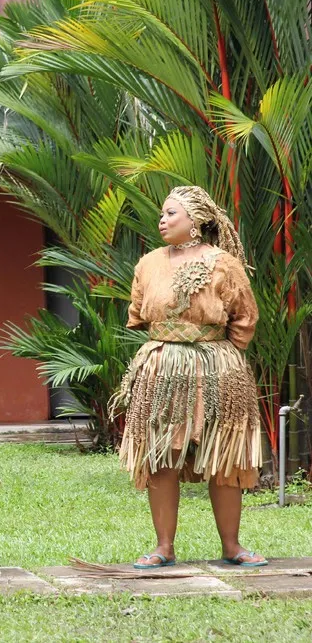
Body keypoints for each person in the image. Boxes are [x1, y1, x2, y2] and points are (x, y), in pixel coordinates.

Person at [110, 186, 266, 569]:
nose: (162, 221)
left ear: (195, 221)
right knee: (162, 453)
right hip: (162, 367)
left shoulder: (224, 263)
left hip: (218, 368)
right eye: (161, 214)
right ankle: (163, 547)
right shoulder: (148, 263)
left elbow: (244, 317)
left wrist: (216, 353)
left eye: (171, 213)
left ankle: (232, 546)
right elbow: (138, 313)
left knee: (224, 455)